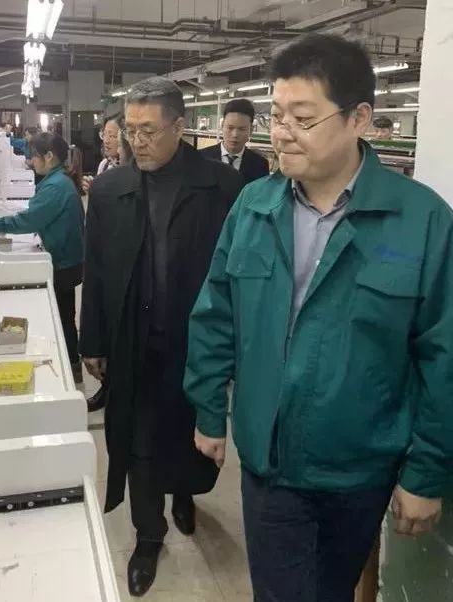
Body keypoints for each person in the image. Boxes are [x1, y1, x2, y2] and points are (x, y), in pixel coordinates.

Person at [185, 33, 453, 602]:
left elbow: (444, 355)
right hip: (270, 462)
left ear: (360, 119)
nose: (281, 132)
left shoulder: (422, 221)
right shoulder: (254, 206)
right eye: (277, 115)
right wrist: (209, 408)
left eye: (303, 119)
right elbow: (215, 313)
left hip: (361, 469)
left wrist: (426, 473)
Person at [80, 77, 243, 596]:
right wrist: (93, 341)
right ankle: (148, 535)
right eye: (131, 130)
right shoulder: (111, 190)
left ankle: (185, 494)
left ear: (179, 126)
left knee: (190, 434)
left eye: (149, 130)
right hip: (134, 341)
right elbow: (96, 269)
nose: (138, 141)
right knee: (140, 441)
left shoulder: (222, 188)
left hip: (195, 345)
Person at [0, 133, 85, 385]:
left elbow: (30, 219)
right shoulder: (59, 181)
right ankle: (72, 364)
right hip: (68, 259)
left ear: (49, 157)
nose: (31, 161)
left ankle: (70, 367)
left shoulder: (55, 187)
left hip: (64, 263)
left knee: (63, 316)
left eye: (34, 156)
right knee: (65, 314)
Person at [85, 118, 133, 414]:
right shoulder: (105, 167)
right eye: (106, 134)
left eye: (114, 135)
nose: (108, 140)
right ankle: (108, 387)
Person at [200, 98, 270, 184]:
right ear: (222, 126)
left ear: (251, 130)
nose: (235, 135)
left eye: (242, 129)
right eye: (230, 128)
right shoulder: (201, 158)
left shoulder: (260, 165)